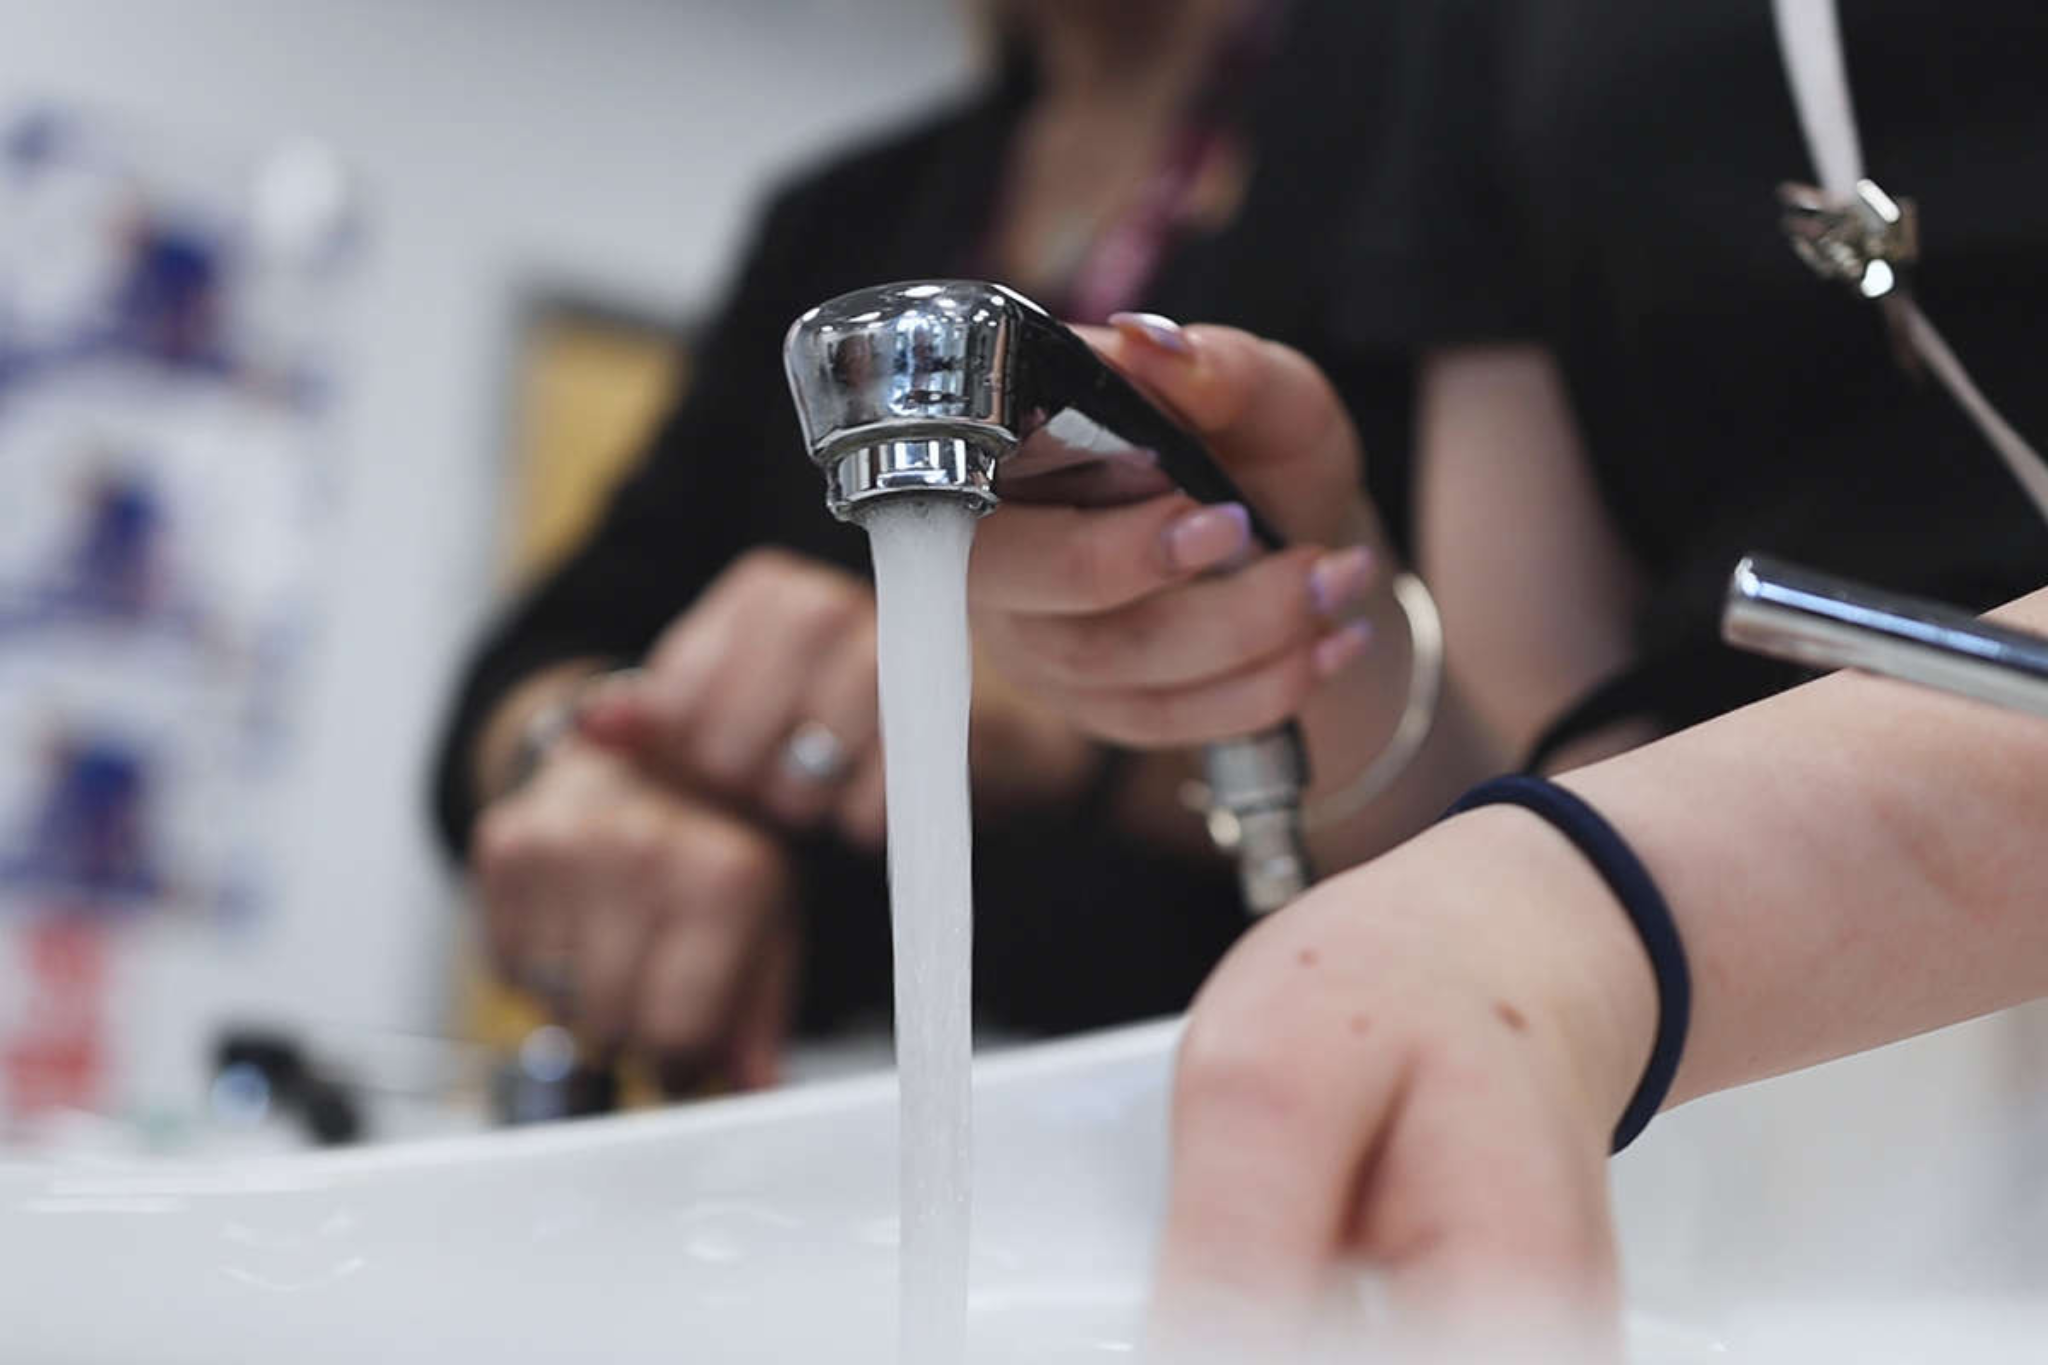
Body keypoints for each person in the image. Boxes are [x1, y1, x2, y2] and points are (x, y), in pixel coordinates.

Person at [959, 0, 2048, 1350]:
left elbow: (1584, 858)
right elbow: (1557, 754)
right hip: (1771, 1159)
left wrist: (1594, 894)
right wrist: (1305, 628)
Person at [430, 0, 1416, 1088]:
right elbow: (533, 660)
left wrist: (1059, 712)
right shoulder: (841, 219)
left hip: (1240, 1079)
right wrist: (594, 755)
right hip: (809, 1115)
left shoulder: (1415, 108)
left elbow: (1519, 726)